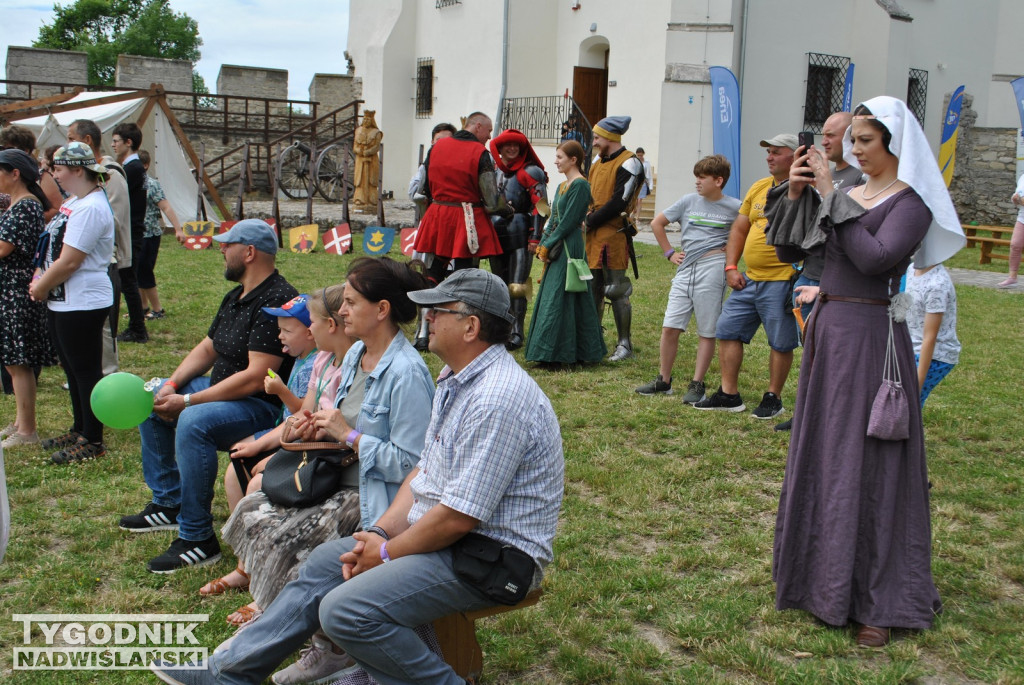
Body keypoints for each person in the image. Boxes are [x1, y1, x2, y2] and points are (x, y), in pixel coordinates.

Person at [150, 269, 565, 685]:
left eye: (438, 311)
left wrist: (385, 553)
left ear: (471, 326)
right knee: (325, 562)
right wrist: (382, 534)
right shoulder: (457, 379)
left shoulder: (496, 398)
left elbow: (459, 517)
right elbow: (424, 472)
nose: (427, 319)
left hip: (492, 559)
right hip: (454, 540)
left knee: (346, 610)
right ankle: (229, 674)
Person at [772, 96, 965, 647]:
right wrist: (797, 191)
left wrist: (832, 196)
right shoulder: (848, 191)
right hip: (830, 332)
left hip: (871, 335)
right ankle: (820, 582)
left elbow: (877, 259)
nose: (853, 149)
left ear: (893, 144)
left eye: (865, 141)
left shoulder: (912, 203)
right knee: (828, 452)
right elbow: (790, 249)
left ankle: (878, 600)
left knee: (871, 460)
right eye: (851, 140)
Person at [119, 219, 298, 574]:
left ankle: (198, 537)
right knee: (151, 397)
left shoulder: (277, 297)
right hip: (225, 394)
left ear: (249, 252)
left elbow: (255, 377)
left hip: (261, 407)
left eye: (227, 244)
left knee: (194, 421)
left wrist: (186, 402)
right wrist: (170, 386)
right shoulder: (237, 295)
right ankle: (168, 503)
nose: (220, 248)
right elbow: (208, 348)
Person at [693, 134, 799, 418]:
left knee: (780, 341)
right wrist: (730, 266)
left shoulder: (803, 189)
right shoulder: (759, 187)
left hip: (782, 279)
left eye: (776, 152)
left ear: (794, 156)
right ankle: (729, 395)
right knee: (727, 329)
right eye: (768, 152)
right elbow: (739, 229)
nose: (769, 157)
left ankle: (773, 397)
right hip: (748, 279)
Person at [29, 143, 114, 463]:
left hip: (82, 300)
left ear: (78, 170)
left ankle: (93, 439)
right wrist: (41, 280)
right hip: (64, 299)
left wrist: (40, 287)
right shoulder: (77, 202)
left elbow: (70, 261)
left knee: (85, 369)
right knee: (72, 368)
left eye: (58, 169)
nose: (55, 175)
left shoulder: (91, 207)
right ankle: (79, 428)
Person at [636, 154, 741, 404]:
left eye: (702, 178)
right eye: (696, 177)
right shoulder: (688, 201)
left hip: (712, 268)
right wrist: (669, 253)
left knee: (707, 330)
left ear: (718, 180)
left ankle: (697, 383)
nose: (697, 182)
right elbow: (657, 223)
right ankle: (664, 380)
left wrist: (729, 260)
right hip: (685, 270)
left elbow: (742, 234)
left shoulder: (735, 207)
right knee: (670, 326)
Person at [524, 140, 606, 365]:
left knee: (564, 294)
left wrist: (549, 243)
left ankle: (566, 353)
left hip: (568, 246)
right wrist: (543, 240)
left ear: (574, 160)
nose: (556, 161)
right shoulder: (562, 186)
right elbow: (554, 217)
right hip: (557, 242)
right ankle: (548, 351)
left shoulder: (580, 185)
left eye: (560, 157)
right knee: (552, 294)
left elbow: (569, 221)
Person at [0, 149, 56, 449]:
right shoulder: (17, 204)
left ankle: (28, 430)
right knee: (12, 363)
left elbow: (3, 249)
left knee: (18, 362)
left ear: (15, 173)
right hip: (10, 290)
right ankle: (21, 422)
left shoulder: (26, 207)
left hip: (17, 292)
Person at [412, 112, 508, 286]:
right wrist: (508, 210)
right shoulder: (480, 153)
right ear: (477, 126)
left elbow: (423, 190)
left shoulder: (435, 148)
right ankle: (458, 310)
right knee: (464, 273)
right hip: (467, 218)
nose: (489, 136)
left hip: (437, 214)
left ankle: (426, 309)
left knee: (434, 270)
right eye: (488, 130)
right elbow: (492, 201)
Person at [67, 119, 131, 374]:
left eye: (71, 138)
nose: (67, 143)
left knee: (103, 325)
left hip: (105, 259)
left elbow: (113, 219)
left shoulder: (110, 174)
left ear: (87, 141)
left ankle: (104, 373)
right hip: (83, 257)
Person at [585, 115, 645, 362]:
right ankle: (593, 339)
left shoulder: (630, 162)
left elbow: (619, 201)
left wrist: (589, 220)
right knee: (592, 288)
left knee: (616, 289)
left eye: (598, 136)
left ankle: (625, 344)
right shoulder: (597, 163)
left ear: (610, 136)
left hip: (613, 232)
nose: (595, 140)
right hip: (593, 233)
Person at [488, 128, 550, 349]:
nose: (512, 149)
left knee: (518, 285)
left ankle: (517, 331)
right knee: (499, 283)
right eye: (507, 145)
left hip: (521, 232)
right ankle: (502, 328)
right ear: (500, 148)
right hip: (496, 234)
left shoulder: (531, 171)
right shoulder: (494, 171)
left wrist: (535, 236)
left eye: (516, 145)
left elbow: (541, 207)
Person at [110, 122, 149, 342]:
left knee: (128, 280)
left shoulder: (130, 170)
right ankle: (137, 326)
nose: (113, 145)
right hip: (133, 229)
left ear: (128, 142)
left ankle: (137, 328)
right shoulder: (134, 168)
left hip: (130, 230)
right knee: (128, 279)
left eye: (116, 141)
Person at [136, 149, 184, 320]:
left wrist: (178, 229)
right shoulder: (128, 183)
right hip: (136, 235)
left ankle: (158, 309)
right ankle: (143, 307)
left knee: (145, 272)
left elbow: (166, 207)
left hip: (150, 235)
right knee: (137, 273)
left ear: (146, 165)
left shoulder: (151, 184)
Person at [905, 261, 960, 408]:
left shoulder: (937, 285)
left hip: (935, 356)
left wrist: (917, 384)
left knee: (908, 405)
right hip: (911, 347)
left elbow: (930, 338)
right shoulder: (912, 268)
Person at [0, 125, 63, 221]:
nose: (4, 153)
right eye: (2, 149)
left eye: (8, 149)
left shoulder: (40, 175)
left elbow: (57, 209)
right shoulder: (4, 174)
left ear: (25, 150)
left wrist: (22, 216)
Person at [352, 111, 383, 210]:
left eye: (368, 119)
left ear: (372, 120)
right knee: (360, 181)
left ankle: (371, 201)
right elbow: (354, 147)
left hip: (371, 160)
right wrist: (359, 151)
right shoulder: (358, 131)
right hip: (360, 160)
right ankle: (359, 200)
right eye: (364, 119)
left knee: (371, 181)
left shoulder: (376, 133)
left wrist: (368, 152)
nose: (366, 121)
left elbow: (376, 147)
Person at [998, 172, 1024, 288]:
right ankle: (1012, 277)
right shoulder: (1023, 177)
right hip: (1022, 218)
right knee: (1015, 245)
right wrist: (1015, 198)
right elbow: (1017, 195)